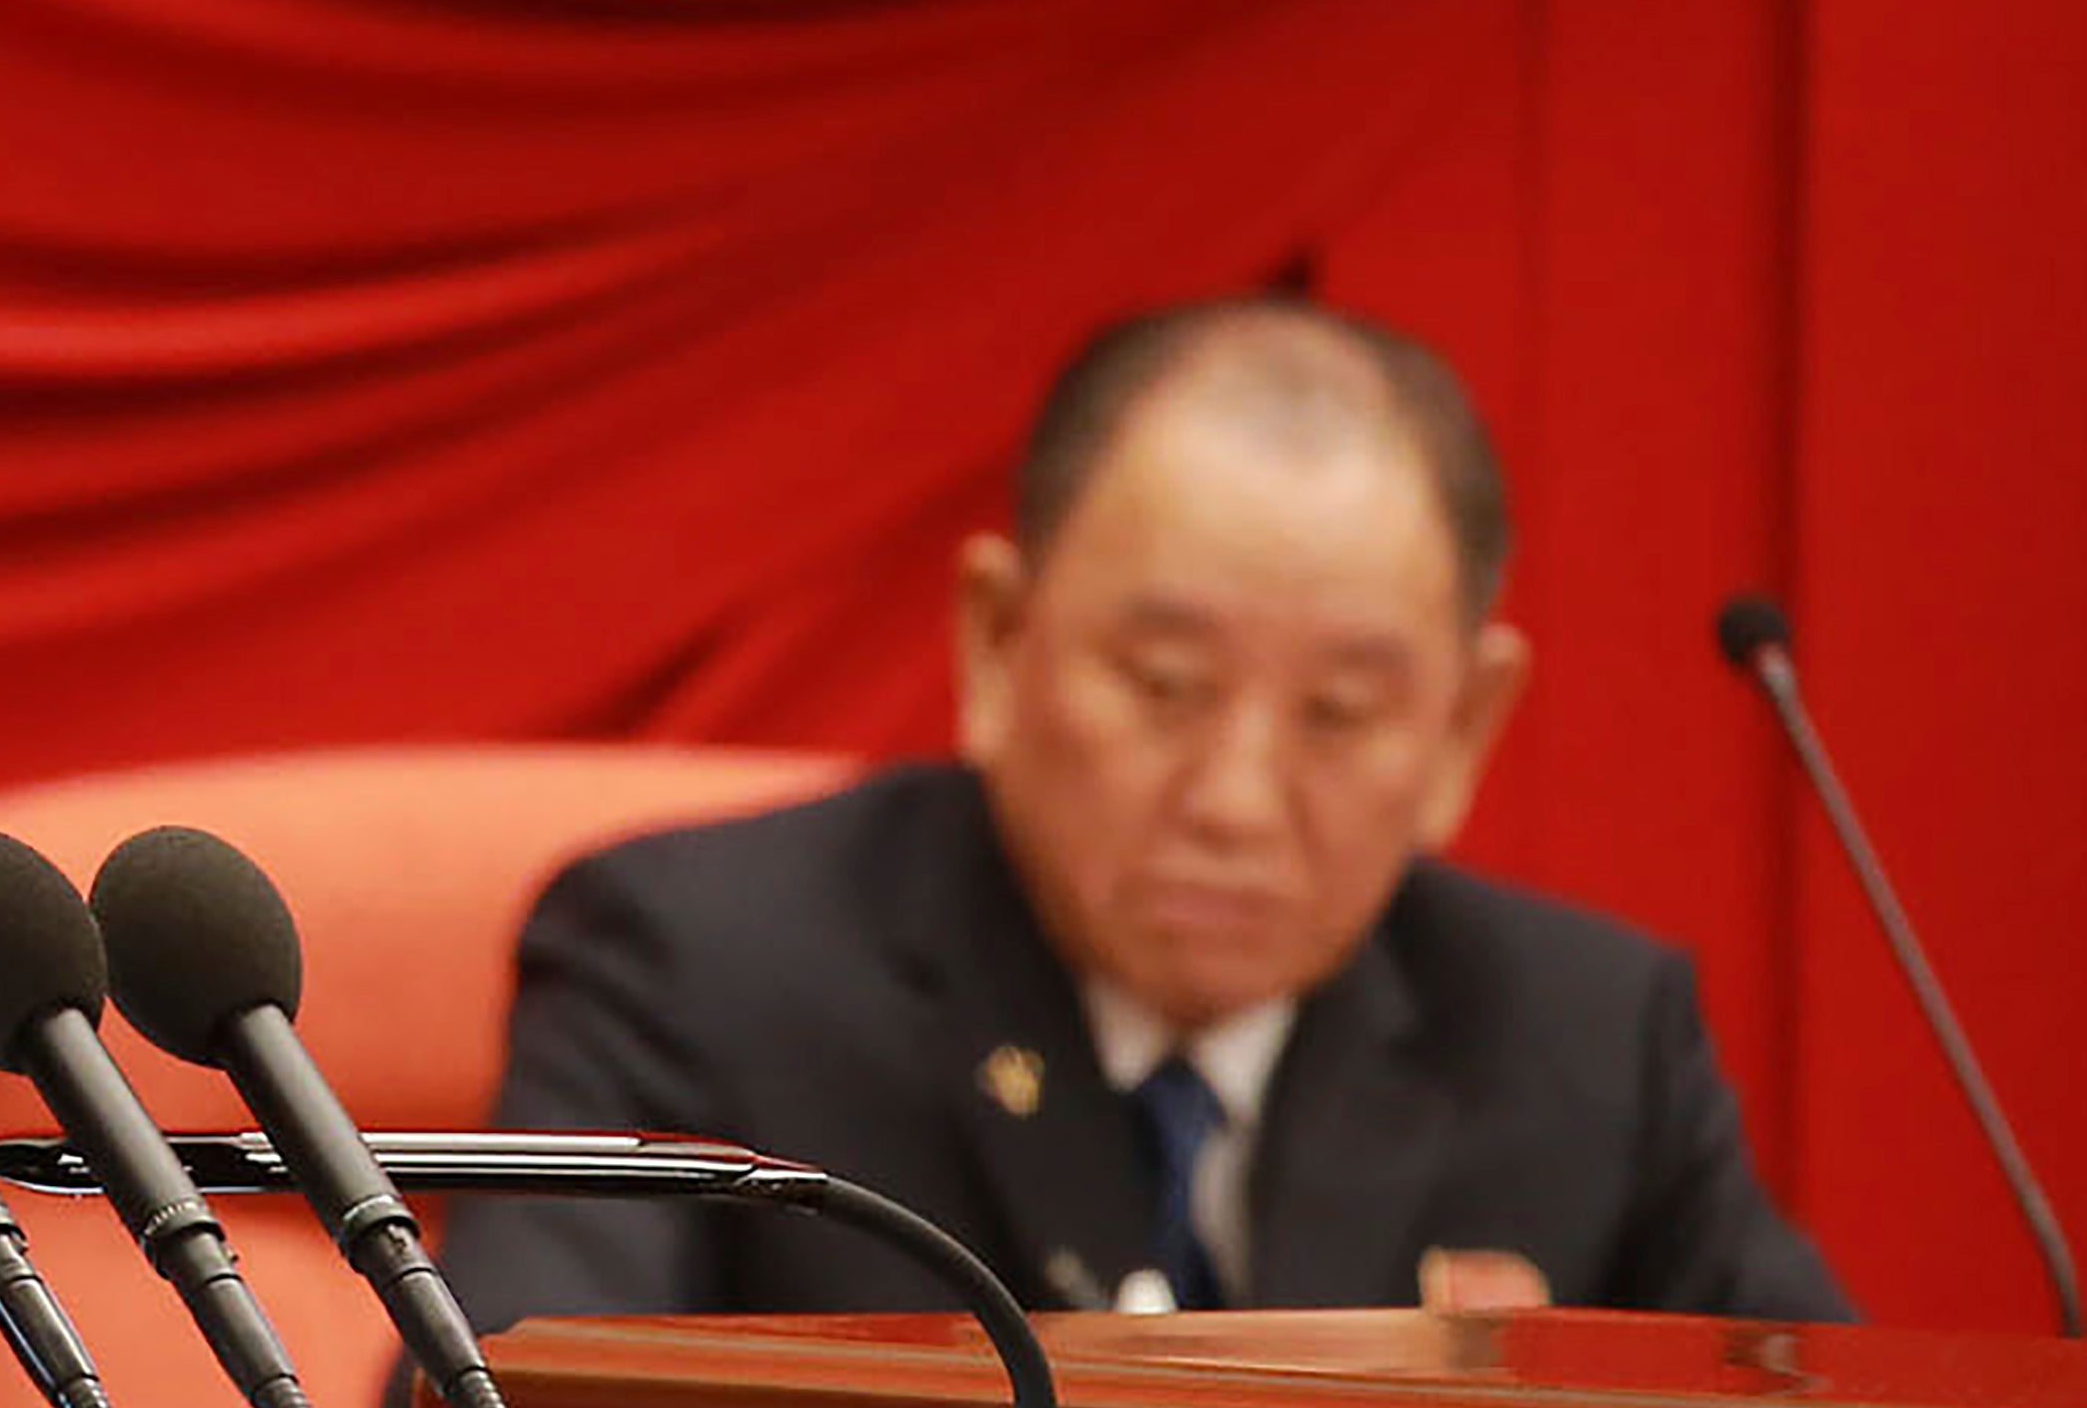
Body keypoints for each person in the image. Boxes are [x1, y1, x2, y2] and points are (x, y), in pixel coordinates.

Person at [450, 298, 1850, 1330]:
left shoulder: (1588, 1042)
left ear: (1463, 729)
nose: (1237, 801)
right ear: (996, 643)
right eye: (1166, 685)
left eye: (1340, 714)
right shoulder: (696, 975)